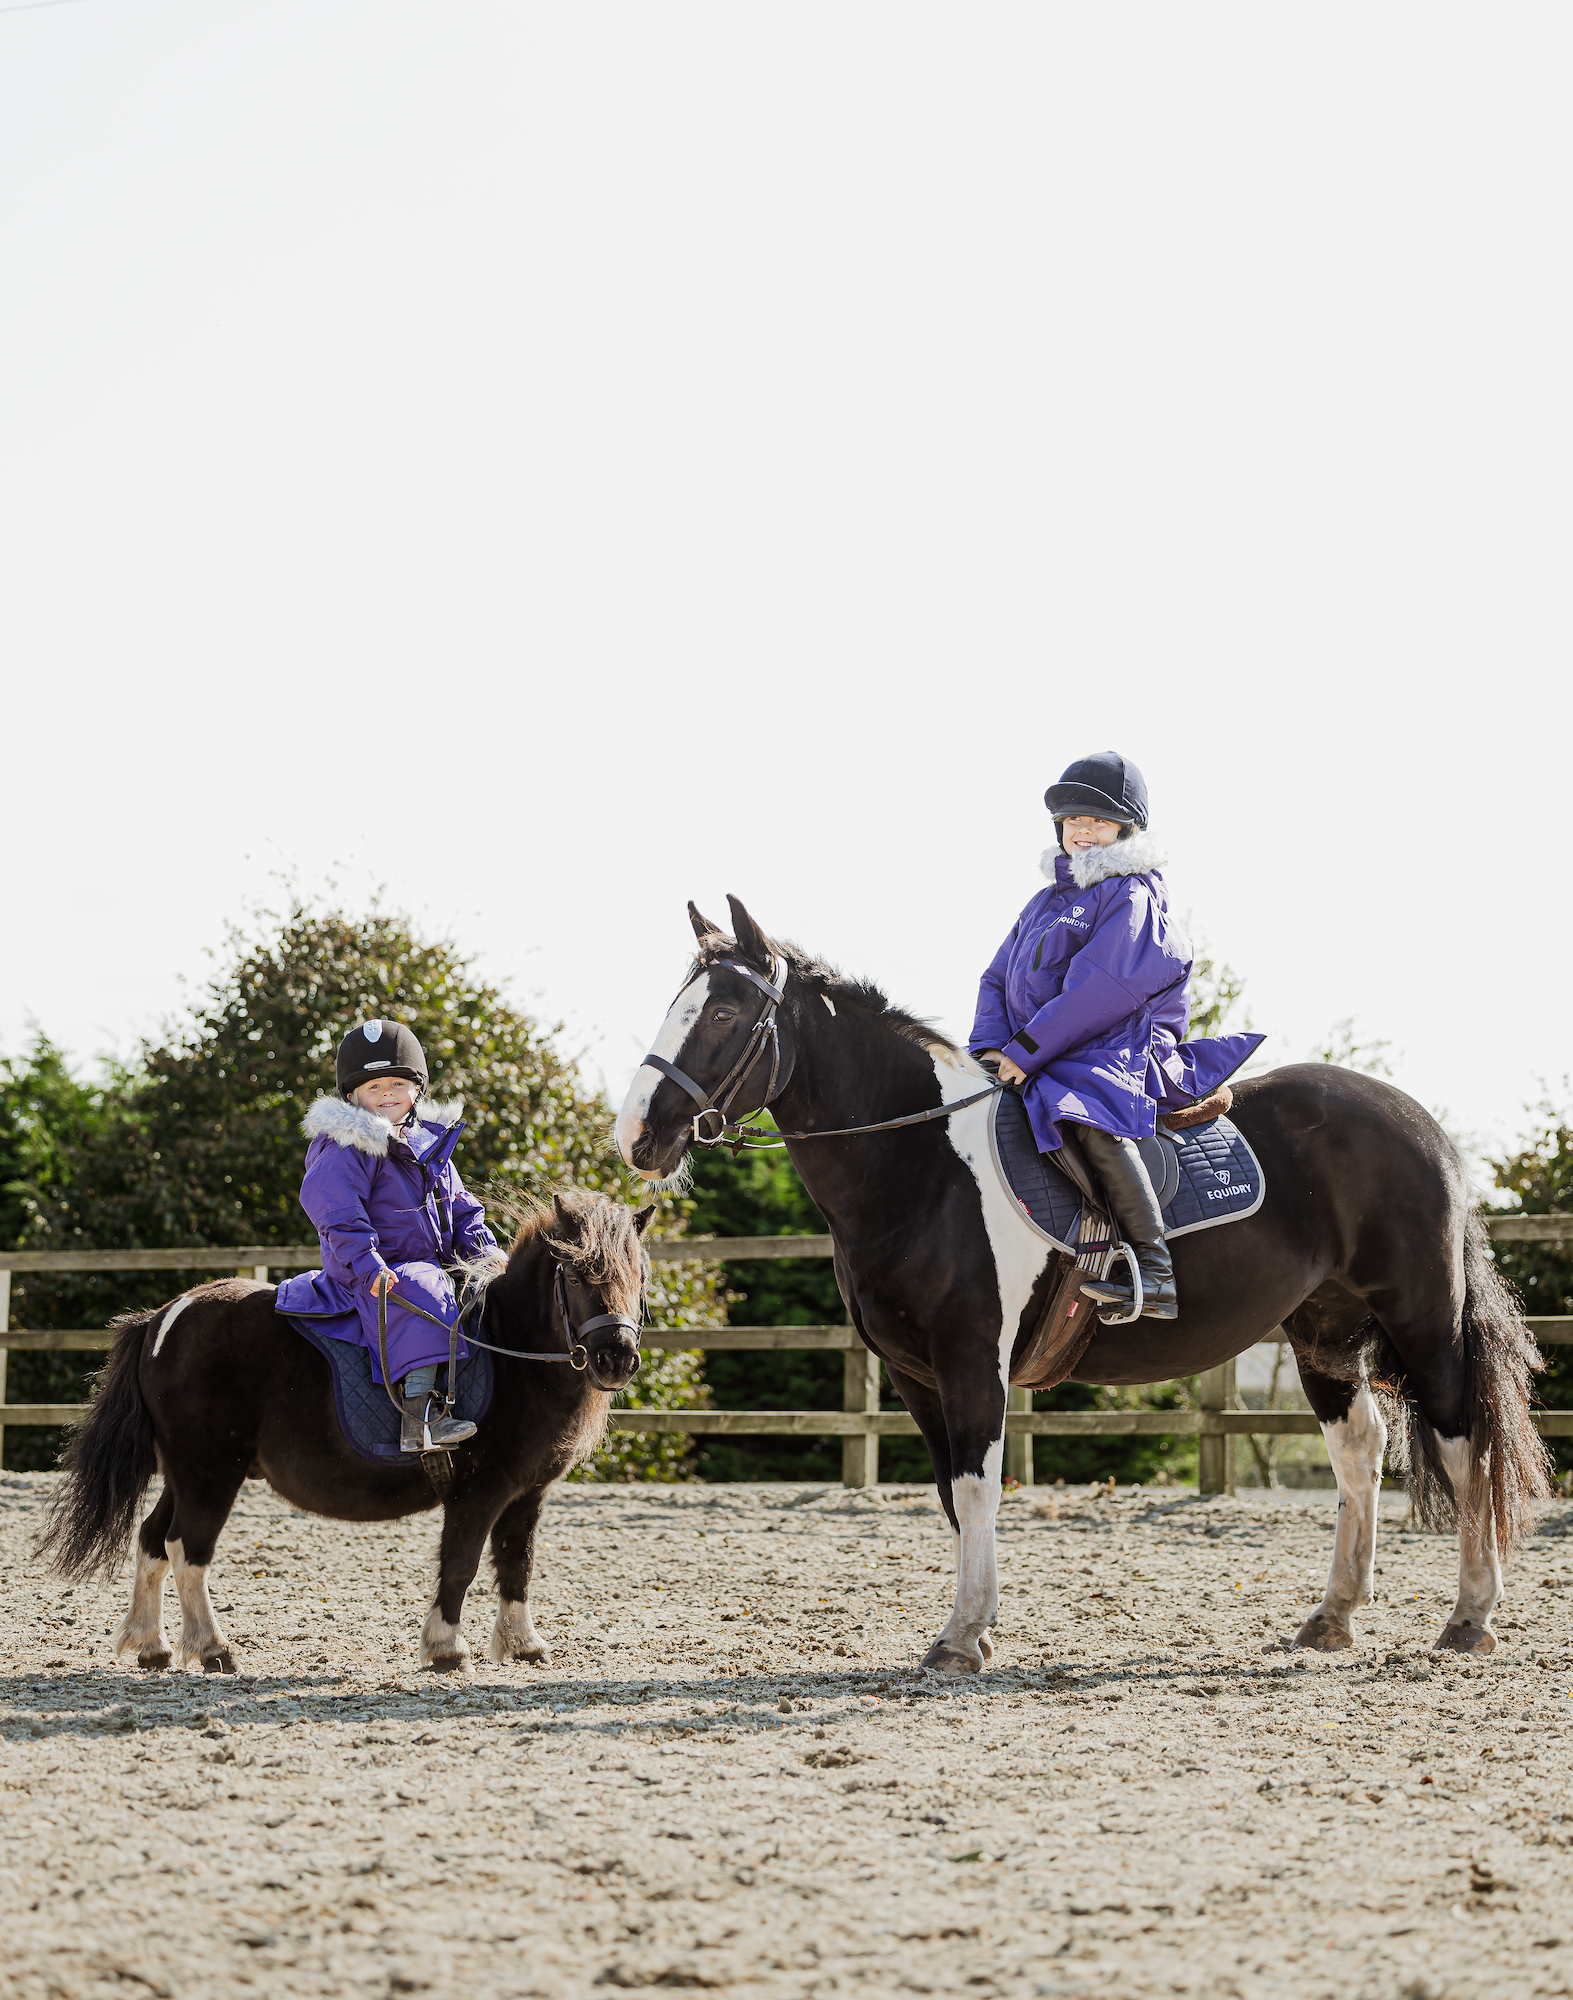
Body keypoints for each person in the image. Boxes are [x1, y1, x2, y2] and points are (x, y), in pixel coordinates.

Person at [970, 751, 1263, 1318]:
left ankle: (1154, 1270)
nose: (1081, 829)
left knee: (1081, 1110)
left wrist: (1026, 1051)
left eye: (1097, 820)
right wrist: (989, 1046)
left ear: (1125, 830)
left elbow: (1102, 990)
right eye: (1073, 819)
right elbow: (997, 976)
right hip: (1040, 1048)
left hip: (1115, 1047)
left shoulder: (1133, 896)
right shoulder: (1045, 901)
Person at [274, 1020, 502, 1450]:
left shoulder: (430, 1148)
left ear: (418, 1090)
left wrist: (486, 1254)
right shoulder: (348, 1146)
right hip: (369, 1271)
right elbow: (335, 1208)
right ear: (351, 1097)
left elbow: (461, 1208)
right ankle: (420, 1417)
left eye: (397, 1083)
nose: (387, 1094)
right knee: (423, 1286)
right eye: (374, 1087)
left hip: (426, 1263)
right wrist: (366, 1261)